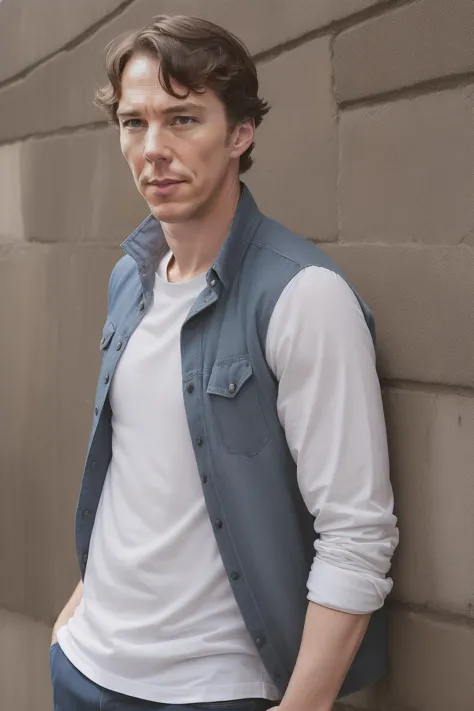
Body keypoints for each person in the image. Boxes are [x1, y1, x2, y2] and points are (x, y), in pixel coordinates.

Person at [50, 14, 398, 711]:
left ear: (241, 132)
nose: (153, 149)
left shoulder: (303, 297)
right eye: (133, 122)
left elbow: (357, 536)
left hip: (210, 692)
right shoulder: (132, 277)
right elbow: (135, 470)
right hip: (85, 669)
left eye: (183, 119)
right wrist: (77, 610)